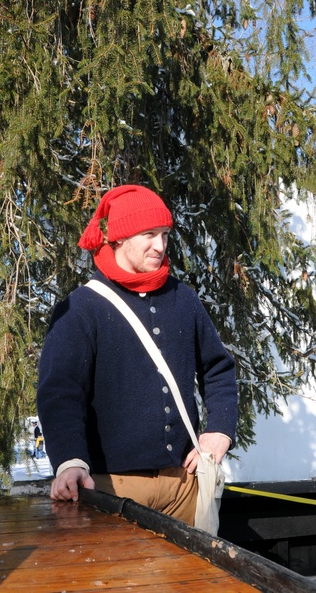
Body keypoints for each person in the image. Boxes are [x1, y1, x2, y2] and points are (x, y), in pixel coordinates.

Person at [36, 185, 238, 526]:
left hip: (184, 485)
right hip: (111, 488)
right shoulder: (82, 307)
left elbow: (218, 368)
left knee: (190, 581)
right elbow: (60, 392)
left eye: (164, 235)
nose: (159, 246)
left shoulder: (184, 299)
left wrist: (220, 429)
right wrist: (70, 461)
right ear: (119, 237)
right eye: (148, 234)